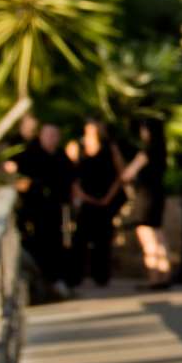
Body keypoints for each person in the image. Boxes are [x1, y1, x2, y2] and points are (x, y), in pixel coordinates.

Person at [5, 117, 72, 295]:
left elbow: (70, 179)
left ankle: (56, 281)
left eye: (54, 135)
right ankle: (41, 285)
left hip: (55, 209)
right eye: (48, 134)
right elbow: (16, 175)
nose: (51, 138)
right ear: (41, 135)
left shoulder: (61, 155)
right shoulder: (29, 153)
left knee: (56, 245)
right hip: (33, 210)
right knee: (36, 246)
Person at [68, 120, 125, 288]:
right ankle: (75, 276)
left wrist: (108, 197)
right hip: (86, 200)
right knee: (80, 239)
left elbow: (120, 174)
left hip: (105, 199)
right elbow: (70, 174)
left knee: (103, 240)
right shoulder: (77, 148)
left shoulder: (110, 148)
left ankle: (101, 276)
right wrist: (82, 195)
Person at [122, 115, 171, 290]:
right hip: (159, 193)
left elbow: (127, 174)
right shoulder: (162, 150)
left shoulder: (146, 152)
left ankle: (154, 277)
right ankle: (164, 274)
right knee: (158, 234)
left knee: (148, 236)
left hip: (146, 195)